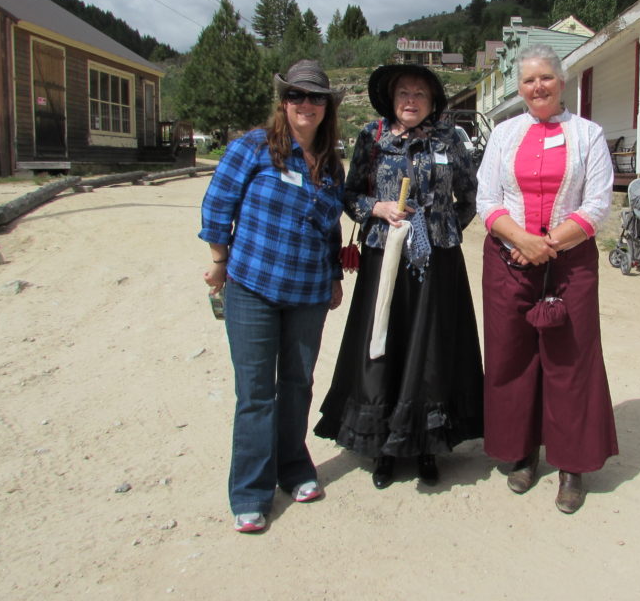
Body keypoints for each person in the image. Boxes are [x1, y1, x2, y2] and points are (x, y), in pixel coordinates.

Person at [315, 64, 483, 489]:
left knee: (429, 349)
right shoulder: (372, 138)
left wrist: (439, 226)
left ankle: (426, 443)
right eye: (403, 93)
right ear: (391, 99)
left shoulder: (450, 139)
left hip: (438, 259)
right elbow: (350, 195)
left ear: (433, 101)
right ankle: (382, 446)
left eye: (420, 94)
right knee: (382, 344)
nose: (411, 100)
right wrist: (379, 209)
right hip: (382, 256)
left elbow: (470, 194)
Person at [199, 59, 345, 533]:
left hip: (307, 292)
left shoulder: (329, 162)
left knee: (298, 385)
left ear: (327, 107)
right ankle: (251, 492)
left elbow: (329, 227)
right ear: (284, 102)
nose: (307, 105)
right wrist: (219, 262)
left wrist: (334, 278)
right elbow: (218, 204)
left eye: (316, 98)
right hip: (253, 289)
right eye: (298, 96)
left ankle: (294, 468)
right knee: (257, 393)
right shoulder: (253, 148)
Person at [477, 44, 618, 515]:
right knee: (511, 355)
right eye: (528, 81)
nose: (537, 87)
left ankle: (571, 466)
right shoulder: (503, 134)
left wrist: (548, 244)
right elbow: (486, 199)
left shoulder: (589, 135)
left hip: (569, 259)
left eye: (545, 78)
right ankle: (522, 452)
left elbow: (597, 204)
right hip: (508, 256)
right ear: (519, 88)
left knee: (570, 361)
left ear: (562, 82)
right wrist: (521, 239)